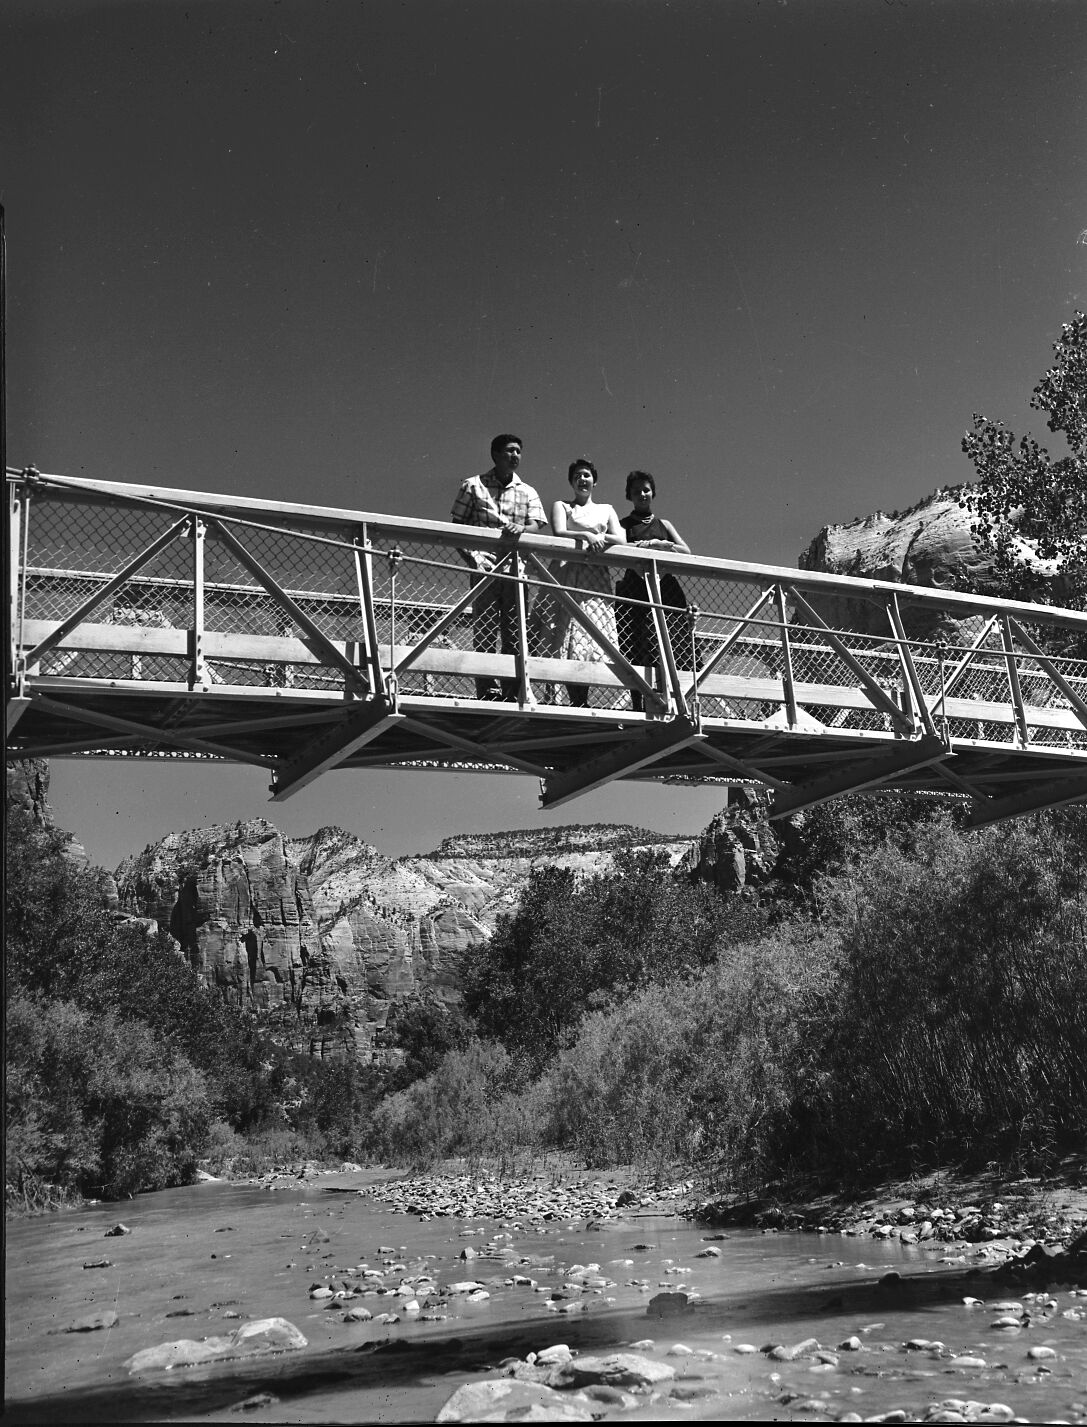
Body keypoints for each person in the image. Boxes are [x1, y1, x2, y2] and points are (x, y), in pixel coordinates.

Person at [451, 434, 547, 700]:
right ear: (495, 454)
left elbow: (537, 525)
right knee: (484, 629)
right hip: (485, 568)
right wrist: (472, 560)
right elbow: (456, 525)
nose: (514, 456)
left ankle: (512, 690)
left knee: (515, 633)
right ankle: (486, 689)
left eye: (518, 451)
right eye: (509, 451)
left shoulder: (528, 491)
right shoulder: (473, 485)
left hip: (517, 570)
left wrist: (522, 529)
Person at [549, 458, 625, 707]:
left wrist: (600, 537)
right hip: (570, 577)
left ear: (594, 480)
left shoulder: (606, 509)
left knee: (595, 636)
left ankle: (587, 697)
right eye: (578, 476)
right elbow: (559, 531)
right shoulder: (563, 506)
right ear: (572, 481)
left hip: (597, 581)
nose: (583, 479)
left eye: (587, 475)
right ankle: (576, 700)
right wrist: (585, 534)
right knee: (570, 636)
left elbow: (621, 539)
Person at [616, 471, 691, 711]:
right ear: (630, 495)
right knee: (636, 642)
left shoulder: (664, 524)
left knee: (671, 642)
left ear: (653, 492)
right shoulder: (624, 524)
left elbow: (686, 551)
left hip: (665, 589)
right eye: (636, 491)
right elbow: (618, 546)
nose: (642, 494)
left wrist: (664, 544)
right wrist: (647, 545)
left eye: (646, 489)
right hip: (635, 589)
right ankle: (639, 702)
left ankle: (674, 699)